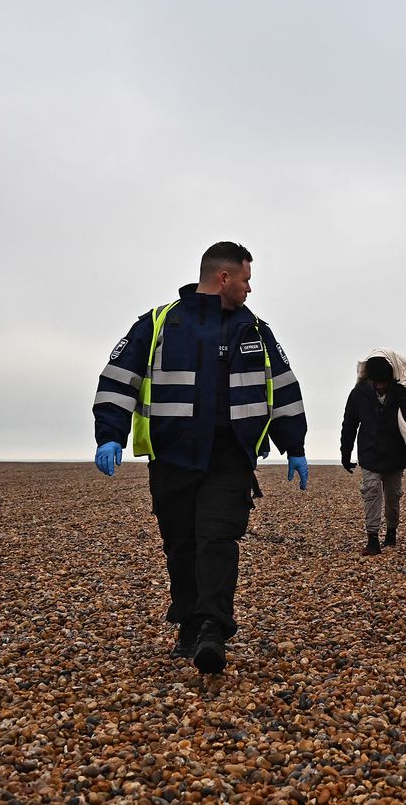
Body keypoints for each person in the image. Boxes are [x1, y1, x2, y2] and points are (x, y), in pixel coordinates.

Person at [91, 241, 307, 674]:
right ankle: (189, 622)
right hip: (172, 456)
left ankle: (213, 627)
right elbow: (118, 379)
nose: (250, 289)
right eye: (246, 279)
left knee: (217, 539)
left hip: (231, 458)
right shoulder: (158, 324)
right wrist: (109, 435)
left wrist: (295, 445)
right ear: (223, 278)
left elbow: (283, 388)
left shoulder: (257, 331)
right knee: (181, 543)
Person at [341, 353, 406, 556]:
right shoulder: (358, 394)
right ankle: (372, 539)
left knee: (393, 497)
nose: (379, 386)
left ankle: (391, 532)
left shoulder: (403, 393)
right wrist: (345, 452)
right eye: (375, 382)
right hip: (369, 454)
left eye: (383, 382)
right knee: (370, 492)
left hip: (395, 455)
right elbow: (350, 423)